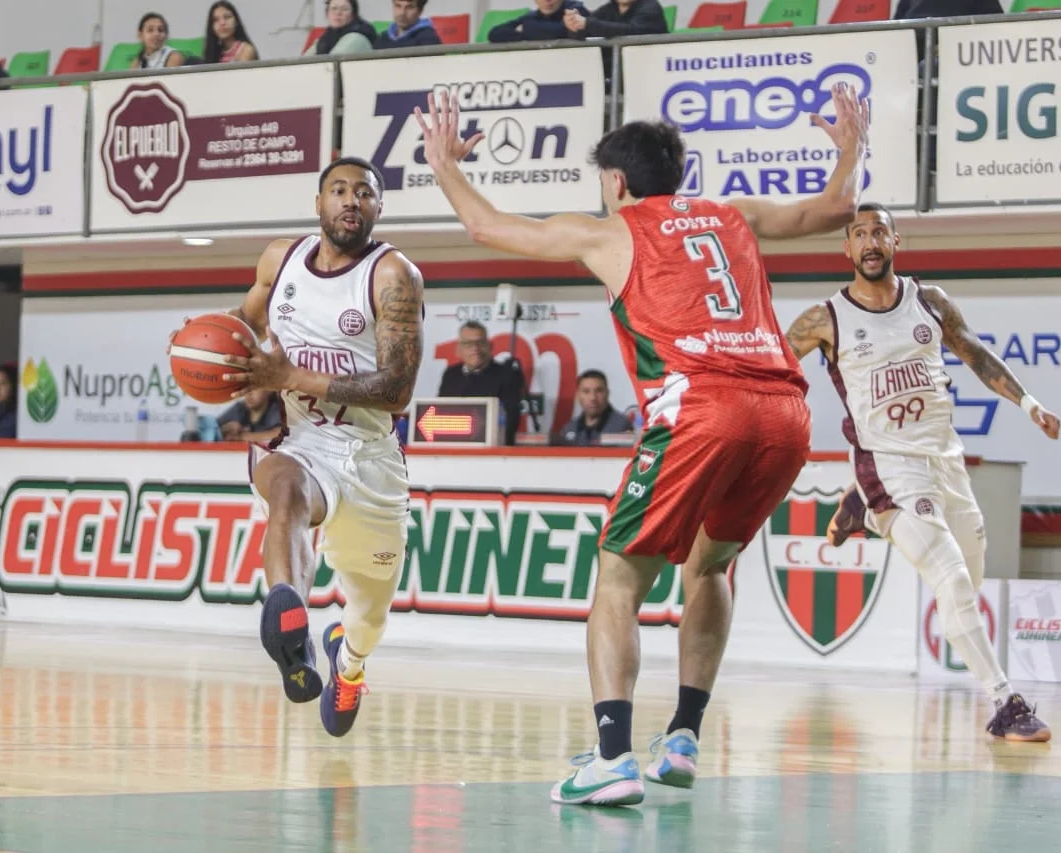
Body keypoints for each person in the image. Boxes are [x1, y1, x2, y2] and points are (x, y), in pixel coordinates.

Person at [413, 82, 869, 805]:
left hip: (701, 406)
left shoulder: (612, 230)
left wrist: (442, 163)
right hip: (785, 410)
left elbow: (487, 227)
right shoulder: (732, 213)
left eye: (603, 182)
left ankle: (613, 755)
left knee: (619, 577)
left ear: (617, 182)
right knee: (712, 564)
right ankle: (683, 737)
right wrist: (850, 151)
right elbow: (834, 210)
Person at [784, 203, 1056, 743]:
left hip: (945, 461)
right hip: (889, 465)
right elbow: (771, 368)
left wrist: (1029, 405)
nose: (869, 241)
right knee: (952, 580)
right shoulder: (824, 319)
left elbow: (975, 354)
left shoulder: (928, 302)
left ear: (895, 241)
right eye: (858, 233)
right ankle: (1006, 703)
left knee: (968, 579)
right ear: (846, 249)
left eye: (878, 232)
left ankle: (858, 505)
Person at [209, 156, 422, 738]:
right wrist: (204, 343)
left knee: (369, 615)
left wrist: (292, 378)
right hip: (302, 438)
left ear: (379, 208)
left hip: (371, 458)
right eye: (339, 190)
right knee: (285, 490)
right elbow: (244, 323)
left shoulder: (392, 274)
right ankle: (291, 626)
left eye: (365, 193)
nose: (351, 201)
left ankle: (348, 664)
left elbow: (398, 391)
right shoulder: (280, 260)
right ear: (318, 202)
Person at [437, 320, 523, 445]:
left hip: (492, 449)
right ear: (458, 349)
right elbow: (441, 416)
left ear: (490, 346)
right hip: (452, 446)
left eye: (480, 343)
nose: (475, 349)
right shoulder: (451, 375)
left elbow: (510, 422)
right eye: (468, 344)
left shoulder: (507, 374)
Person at [556, 369, 635, 446]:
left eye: (599, 391)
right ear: (577, 395)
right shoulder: (570, 428)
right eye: (586, 391)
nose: (593, 397)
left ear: (607, 393)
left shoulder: (621, 426)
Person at [375, 0, 443, 50]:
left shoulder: (429, 40)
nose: (402, 13)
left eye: (409, 7)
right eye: (398, 6)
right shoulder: (383, 38)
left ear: (420, 11)